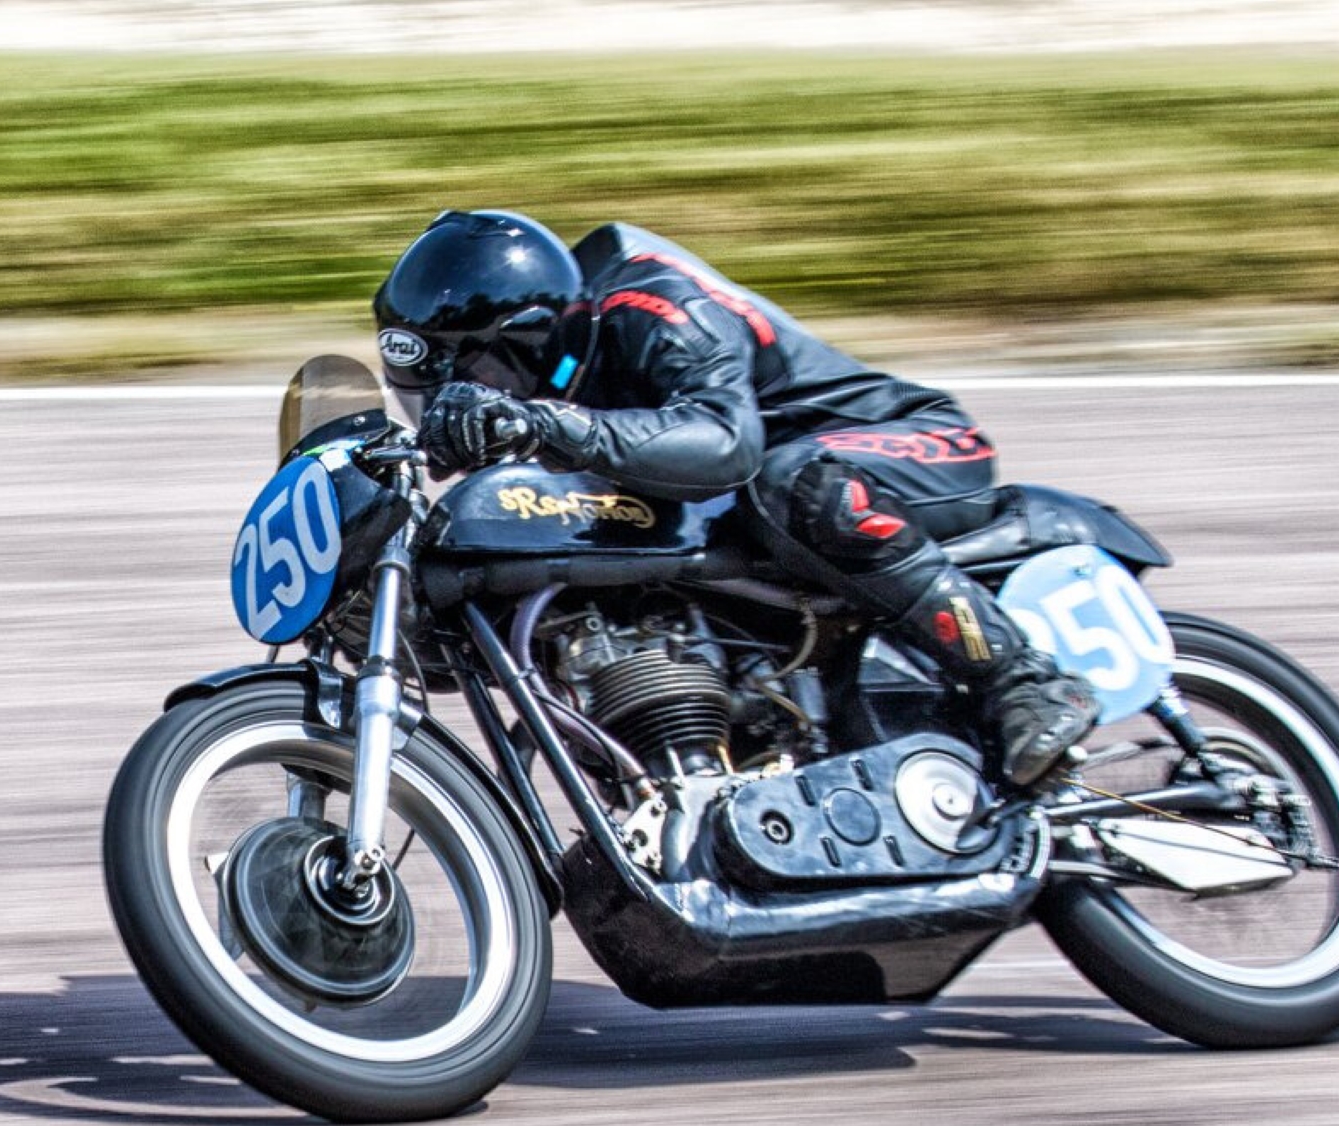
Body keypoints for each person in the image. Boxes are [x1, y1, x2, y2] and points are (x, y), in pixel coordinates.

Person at [374, 209, 1097, 786]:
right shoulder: (566, 378)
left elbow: (726, 444)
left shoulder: (653, 302)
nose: (458, 411)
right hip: (754, 504)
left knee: (795, 484)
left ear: (532, 341)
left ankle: (1024, 680)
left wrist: (541, 423)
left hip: (910, 448)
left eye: (470, 387)